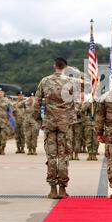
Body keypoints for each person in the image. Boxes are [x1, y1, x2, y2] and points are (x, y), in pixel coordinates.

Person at [34, 57, 77, 199]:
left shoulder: (45, 81)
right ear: (66, 67)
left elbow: (37, 102)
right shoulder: (71, 82)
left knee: (51, 156)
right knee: (63, 156)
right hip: (65, 124)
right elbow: (75, 103)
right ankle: (63, 189)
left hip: (50, 123)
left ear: (54, 66)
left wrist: (39, 119)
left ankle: (53, 189)